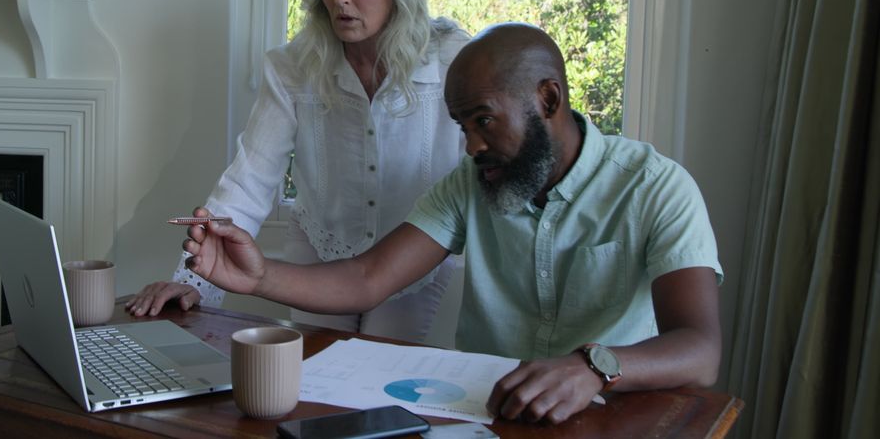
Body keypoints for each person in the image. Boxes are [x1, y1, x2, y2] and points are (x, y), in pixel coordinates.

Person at [177, 22, 724, 424]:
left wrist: (592, 367)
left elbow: (700, 349)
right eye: (462, 125)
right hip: (487, 418)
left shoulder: (657, 187)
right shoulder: (471, 183)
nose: (471, 145)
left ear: (549, 99)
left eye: (483, 120)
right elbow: (368, 279)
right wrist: (256, 277)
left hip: (612, 416)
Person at [126, 0, 471, 343]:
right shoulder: (293, 67)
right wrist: (194, 282)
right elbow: (250, 177)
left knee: (380, 377)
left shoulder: (449, 59)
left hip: (413, 255)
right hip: (320, 246)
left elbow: (480, 165)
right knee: (313, 372)